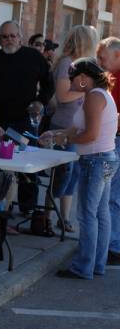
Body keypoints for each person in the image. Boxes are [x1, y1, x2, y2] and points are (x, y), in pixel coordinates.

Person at [40, 58, 119, 279]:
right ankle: (96, 265)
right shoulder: (99, 94)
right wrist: (57, 134)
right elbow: (78, 129)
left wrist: (62, 139)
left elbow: (89, 135)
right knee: (101, 214)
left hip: (95, 159)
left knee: (87, 215)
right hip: (105, 158)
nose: (69, 81)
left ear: (84, 79)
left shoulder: (94, 97)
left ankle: (83, 267)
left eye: (72, 77)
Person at [0, 20, 53, 215]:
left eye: (13, 36)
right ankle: (0, 208)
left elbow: (49, 83)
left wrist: (41, 101)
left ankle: (27, 208)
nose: (9, 40)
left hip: (24, 122)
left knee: (27, 165)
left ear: (20, 37)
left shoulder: (33, 57)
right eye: (4, 36)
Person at [45, 25, 99, 232]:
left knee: (72, 174)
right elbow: (63, 96)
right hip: (63, 125)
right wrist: (89, 90)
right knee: (61, 174)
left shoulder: (83, 65)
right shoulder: (67, 63)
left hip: (76, 128)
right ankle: (46, 216)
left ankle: (64, 217)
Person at [97, 37, 120, 266]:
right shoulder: (110, 76)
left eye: (103, 56)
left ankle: (113, 247)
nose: (100, 61)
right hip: (112, 140)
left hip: (116, 141)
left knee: (112, 197)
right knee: (109, 197)